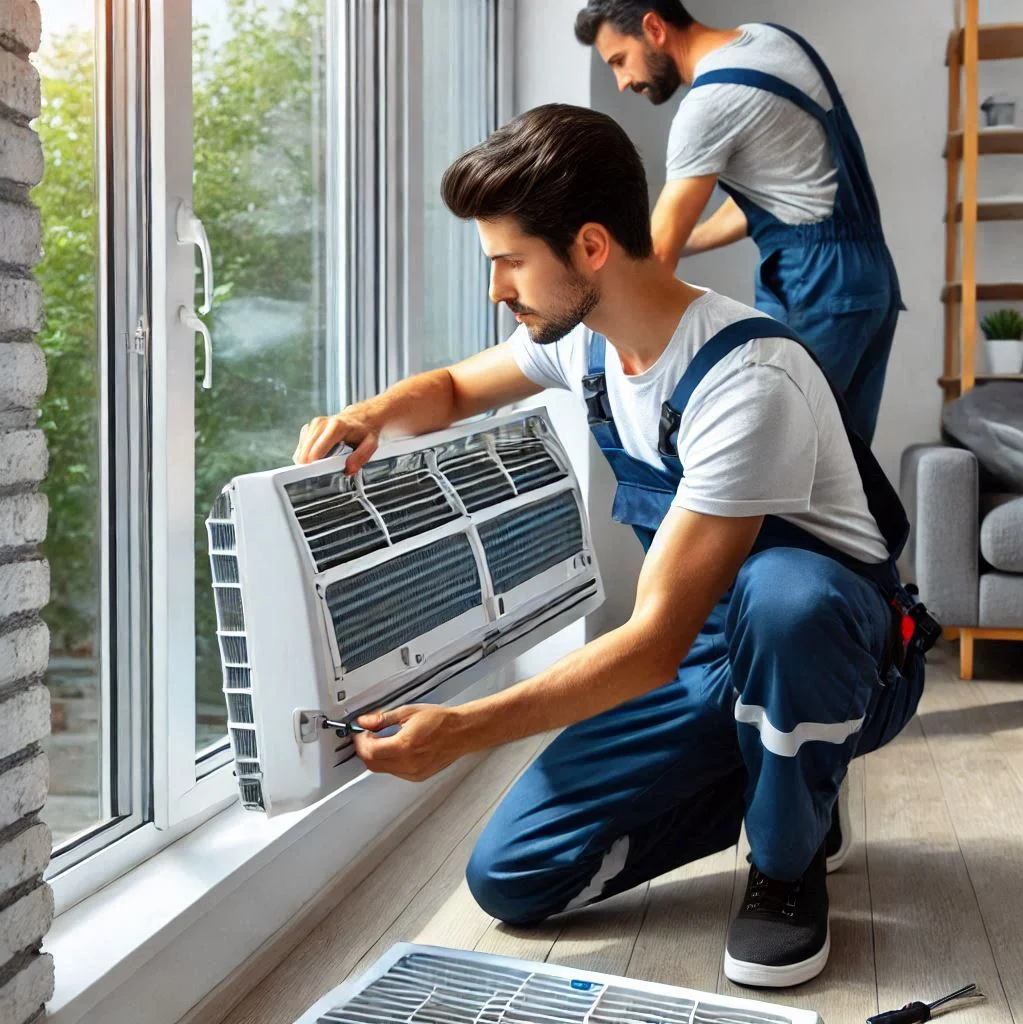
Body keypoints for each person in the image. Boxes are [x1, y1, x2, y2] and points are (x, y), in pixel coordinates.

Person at [293, 104, 933, 989]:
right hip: (704, 654)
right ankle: (788, 778)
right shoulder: (585, 344)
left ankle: (787, 866)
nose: (497, 290)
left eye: (508, 262)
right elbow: (448, 389)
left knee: (786, 598)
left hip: (841, 653)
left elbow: (652, 642)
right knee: (512, 877)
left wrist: (463, 732)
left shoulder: (747, 380)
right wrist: (368, 416)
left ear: (590, 247)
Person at [574, 0, 903, 444]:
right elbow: (781, 191)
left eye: (620, 60)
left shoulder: (709, 104)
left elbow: (658, 252)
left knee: (769, 459)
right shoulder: (770, 41)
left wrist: (605, 343)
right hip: (868, 278)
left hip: (815, 284)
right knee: (846, 465)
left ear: (654, 27)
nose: (622, 81)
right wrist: (682, 241)